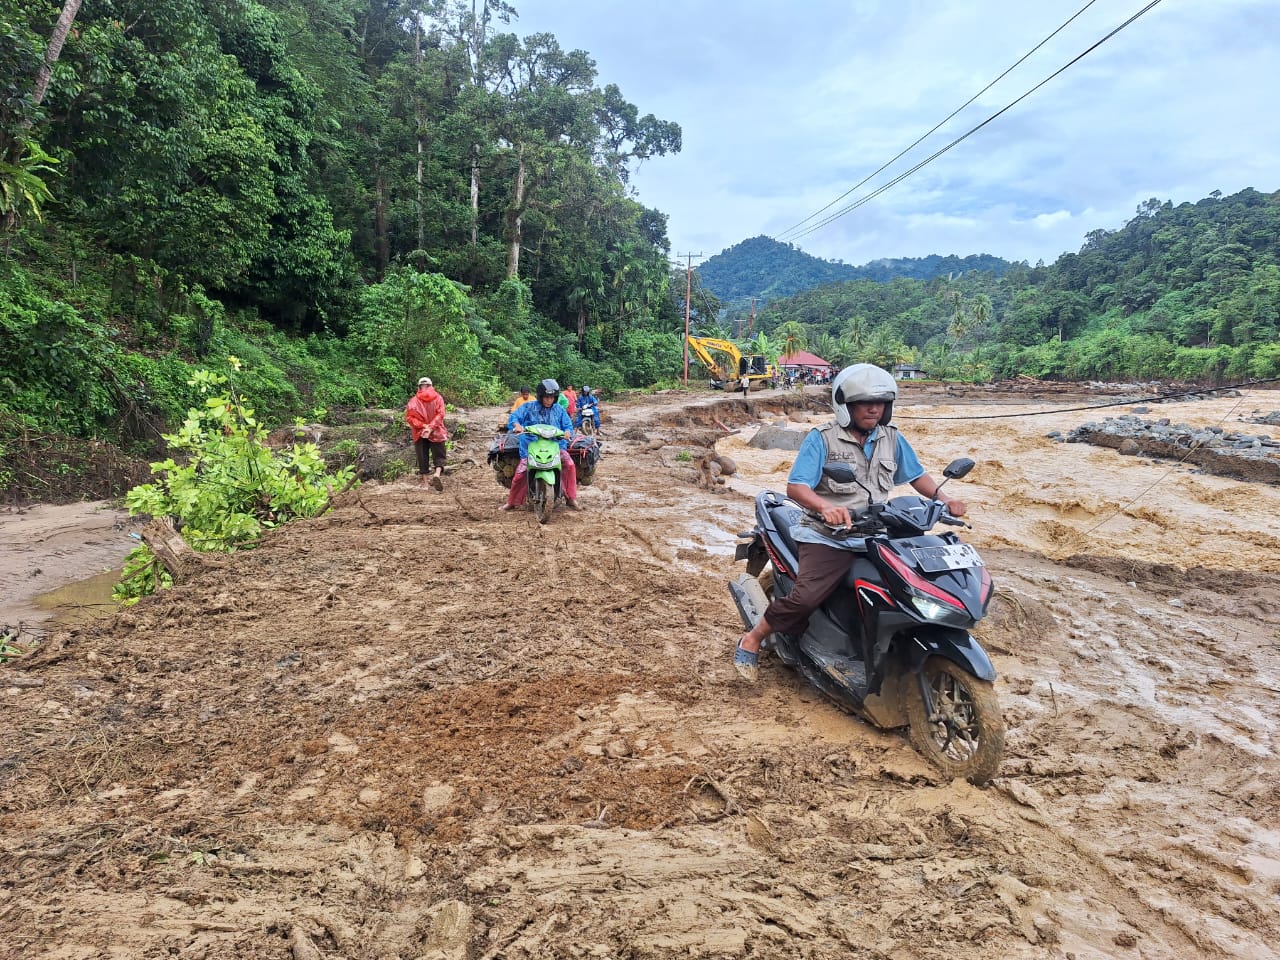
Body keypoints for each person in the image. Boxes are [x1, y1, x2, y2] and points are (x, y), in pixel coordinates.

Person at [732, 363, 968, 683]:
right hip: (828, 535)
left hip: (878, 532)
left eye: (880, 402)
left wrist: (945, 499)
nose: (874, 409)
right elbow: (797, 487)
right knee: (806, 597)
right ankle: (754, 638)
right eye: (864, 403)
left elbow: (916, 477)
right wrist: (825, 506)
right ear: (845, 405)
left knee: (914, 583)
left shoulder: (892, 438)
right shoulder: (823, 439)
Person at [500, 378, 579, 511]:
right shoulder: (528, 407)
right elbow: (514, 417)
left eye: (552, 397)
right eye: (546, 397)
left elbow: (568, 425)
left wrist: (567, 432)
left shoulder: (559, 410)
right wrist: (517, 425)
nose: (549, 400)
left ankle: (570, 498)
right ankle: (512, 501)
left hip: (556, 446)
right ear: (540, 396)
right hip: (531, 446)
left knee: (569, 465)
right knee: (521, 472)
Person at [405, 376, 448, 490]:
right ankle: (437, 474)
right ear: (431, 386)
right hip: (436, 430)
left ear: (419, 387)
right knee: (439, 455)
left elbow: (410, 418)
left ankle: (425, 484)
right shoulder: (438, 398)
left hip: (420, 432)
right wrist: (430, 427)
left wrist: (424, 426)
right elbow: (441, 414)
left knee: (422, 456)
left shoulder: (413, 401)